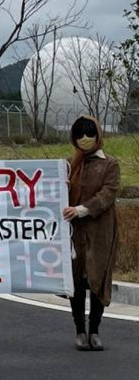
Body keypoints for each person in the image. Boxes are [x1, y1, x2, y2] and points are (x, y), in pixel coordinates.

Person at [62, 115, 119, 351]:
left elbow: (108, 194)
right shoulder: (68, 165)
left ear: (98, 135)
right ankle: (79, 331)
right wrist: (59, 189)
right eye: (80, 135)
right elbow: (57, 197)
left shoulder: (110, 164)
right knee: (76, 281)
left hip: (100, 231)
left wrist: (82, 210)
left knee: (97, 278)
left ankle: (94, 330)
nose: (85, 139)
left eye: (89, 134)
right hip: (75, 233)